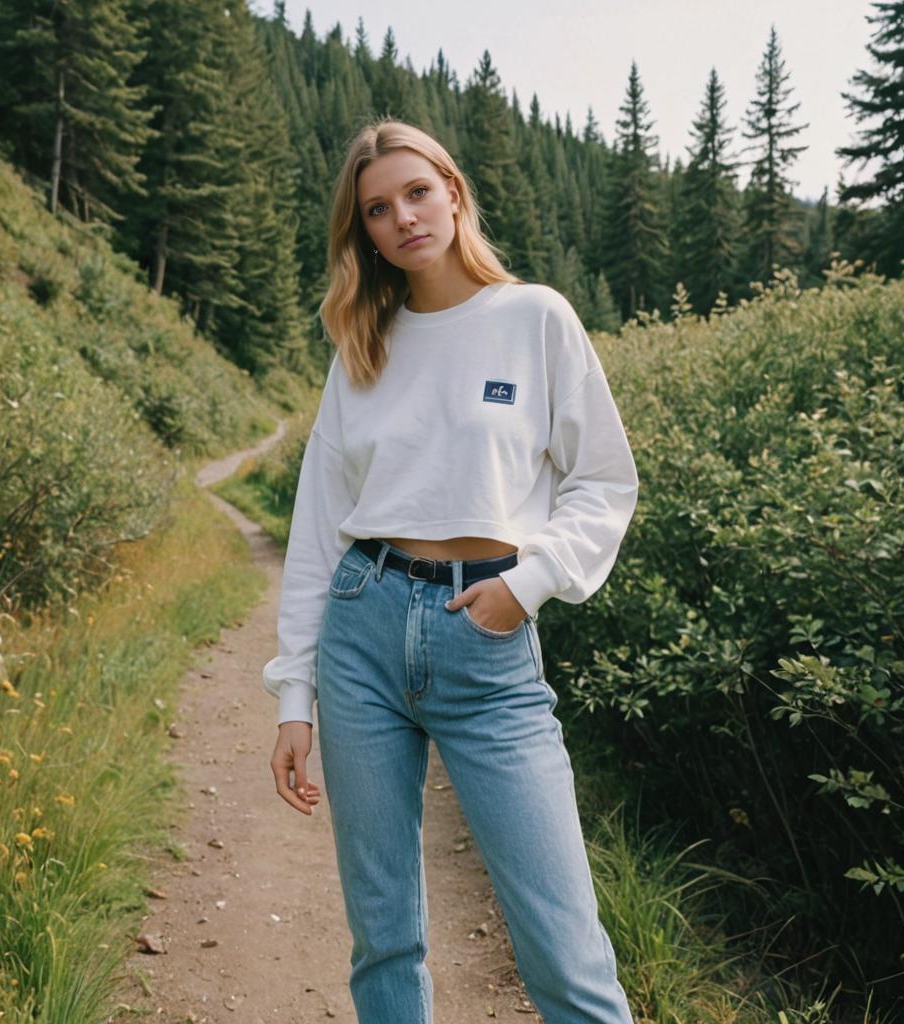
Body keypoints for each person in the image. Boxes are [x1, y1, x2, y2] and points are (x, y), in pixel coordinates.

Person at [264, 117, 639, 1023]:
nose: (402, 219)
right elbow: (318, 530)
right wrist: (291, 699)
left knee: (564, 943)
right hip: (361, 630)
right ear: (366, 232)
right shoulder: (361, 344)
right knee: (383, 932)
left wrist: (528, 585)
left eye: (416, 193)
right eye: (378, 210)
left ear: (454, 191)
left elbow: (602, 482)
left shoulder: (534, 317)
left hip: (490, 632)